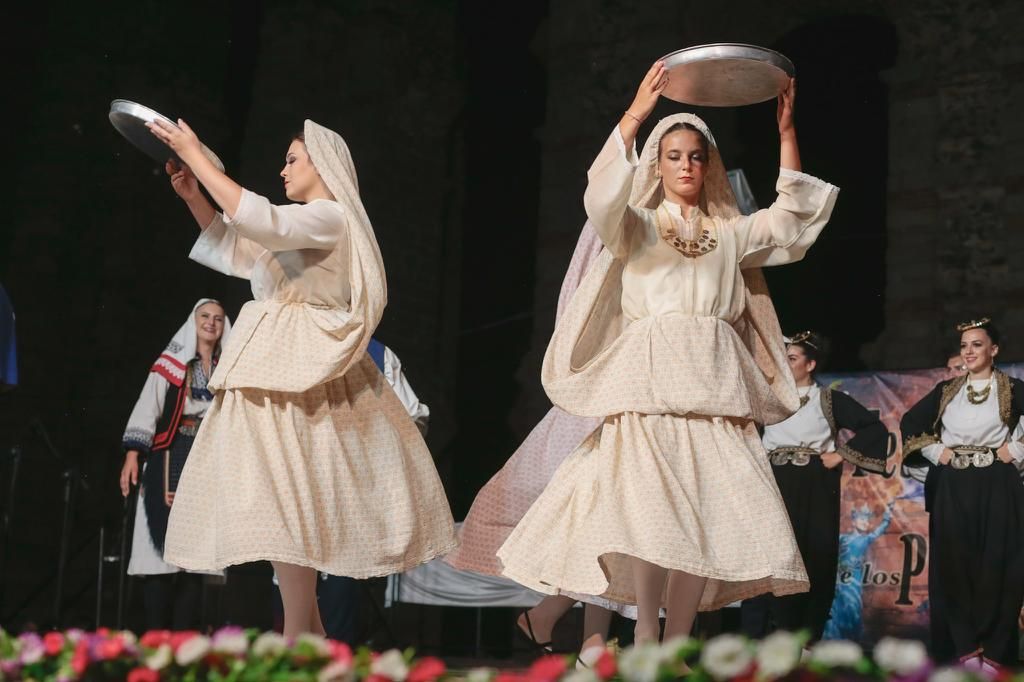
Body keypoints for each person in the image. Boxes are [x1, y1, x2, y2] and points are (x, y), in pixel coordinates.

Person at [498, 62, 840, 644]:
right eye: (674, 155)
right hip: (650, 379)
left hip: (714, 382)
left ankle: (678, 638)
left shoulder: (729, 234)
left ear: (709, 167)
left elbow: (790, 223)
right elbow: (601, 197)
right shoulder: (637, 225)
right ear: (657, 165)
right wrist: (636, 113)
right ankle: (646, 637)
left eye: (696, 156)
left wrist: (785, 133)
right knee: (651, 517)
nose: (686, 165)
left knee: (701, 520)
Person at [145, 117, 457, 638]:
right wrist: (193, 195)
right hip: (273, 364)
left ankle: (299, 642)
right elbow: (242, 251)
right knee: (278, 501)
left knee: (289, 501)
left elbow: (264, 221)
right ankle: (305, 639)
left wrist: (197, 154)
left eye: (293, 159)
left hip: (304, 371)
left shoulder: (329, 217)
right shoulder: (302, 227)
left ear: (323, 163)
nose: (283, 169)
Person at [447, 223, 616, 659]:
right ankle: (585, 638)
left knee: (615, 526)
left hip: (632, 390)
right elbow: (581, 311)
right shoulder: (611, 240)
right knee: (601, 519)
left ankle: (576, 631)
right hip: (601, 398)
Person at [740, 331, 892, 642]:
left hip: (814, 483)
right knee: (770, 557)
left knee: (814, 556)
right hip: (774, 483)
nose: (785, 363)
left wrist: (841, 455)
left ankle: (805, 639)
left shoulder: (828, 399)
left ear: (810, 365)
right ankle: (757, 640)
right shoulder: (767, 397)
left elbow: (874, 428)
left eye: (792, 358)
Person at [901, 318, 1024, 671]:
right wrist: (935, 451)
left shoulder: (1012, 388)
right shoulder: (946, 391)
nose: (968, 352)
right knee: (954, 566)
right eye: (964, 346)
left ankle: (997, 655)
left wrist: (1015, 450)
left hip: (998, 483)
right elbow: (911, 423)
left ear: (994, 350)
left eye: (977, 345)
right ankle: (966, 650)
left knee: (1000, 567)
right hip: (954, 484)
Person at [119, 298, 231, 630]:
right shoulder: (170, 364)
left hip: (207, 462)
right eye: (205, 316)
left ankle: (183, 643)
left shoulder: (229, 370)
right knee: (159, 556)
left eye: (218, 319)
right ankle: (156, 640)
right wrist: (132, 455)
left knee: (194, 560)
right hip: (169, 455)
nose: (211, 323)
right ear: (192, 321)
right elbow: (148, 406)